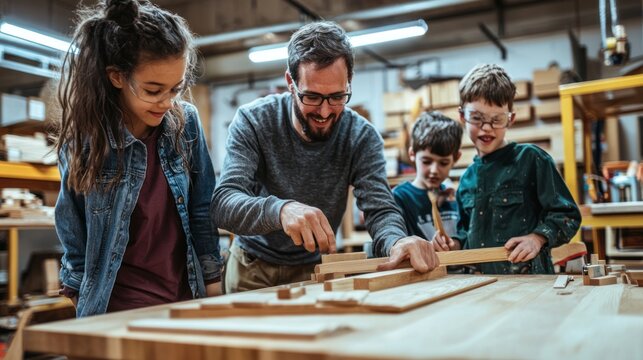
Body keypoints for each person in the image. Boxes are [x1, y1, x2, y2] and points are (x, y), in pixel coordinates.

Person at [212, 21, 439, 293]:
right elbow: (223, 203)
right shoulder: (254, 121)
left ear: (349, 83)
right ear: (290, 83)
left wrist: (396, 241)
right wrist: (280, 210)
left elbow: (379, 208)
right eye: (312, 97)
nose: (324, 111)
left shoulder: (361, 136)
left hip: (317, 269)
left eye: (337, 97)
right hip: (252, 266)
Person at [53, 0, 222, 317]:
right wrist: (74, 296)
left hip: (184, 297)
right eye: (153, 90)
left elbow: (202, 208)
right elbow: (73, 230)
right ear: (117, 77)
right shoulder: (85, 142)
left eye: (176, 88)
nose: (167, 102)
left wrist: (213, 282)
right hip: (116, 308)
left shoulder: (186, 125)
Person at [452, 64, 581, 274]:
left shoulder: (531, 160)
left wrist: (538, 238)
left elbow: (568, 215)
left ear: (510, 119)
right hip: (480, 286)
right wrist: (455, 244)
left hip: (530, 284)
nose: (486, 128)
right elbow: (466, 232)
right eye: (476, 118)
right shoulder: (467, 179)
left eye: (497, 119)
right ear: (462, 116)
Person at [392, 111, 463, 252]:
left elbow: (464, 235)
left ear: (456, 158)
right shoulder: (399, 197)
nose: (434, 170)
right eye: (426, 161)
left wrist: (455, 244)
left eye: (443, 163)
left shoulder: (454, 196)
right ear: (412, 154)